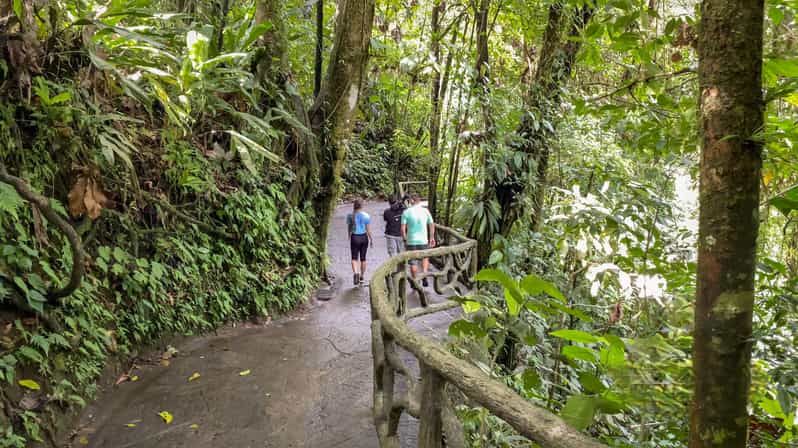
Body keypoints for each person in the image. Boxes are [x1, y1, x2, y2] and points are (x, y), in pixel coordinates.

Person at [401, 193, 436, 287]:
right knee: (425, 257)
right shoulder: (425, 211)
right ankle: (424, 274)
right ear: (419, 201)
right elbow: (431, 224)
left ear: (411, 201)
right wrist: (432, 237)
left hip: (411, 241)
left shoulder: (406, 212)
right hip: (423, 240)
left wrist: (405, 239)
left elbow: (403, 228)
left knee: (413, 262)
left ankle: (415, 281)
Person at [346, 199, 373, 286]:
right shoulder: (366, 216)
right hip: (364, 237)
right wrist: (371, 239)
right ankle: (362, 276)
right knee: (363, 258)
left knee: (354, 258)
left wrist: (349, 236)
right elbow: (368, 229)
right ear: (362, 206)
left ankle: (356, 273)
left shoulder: (350, 216)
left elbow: (349, 228)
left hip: (355, 237)